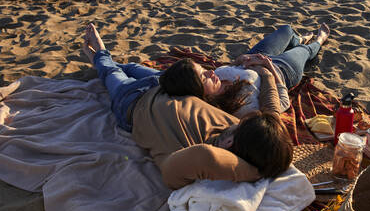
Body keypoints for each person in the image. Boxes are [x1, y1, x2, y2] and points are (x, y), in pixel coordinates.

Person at [83, 23, 293, 189]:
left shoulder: (187, 159)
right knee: (131, 67)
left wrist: (254, 172)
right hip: (166, 84)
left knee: (111, 73)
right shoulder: (244, 129)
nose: (237, 123)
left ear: (230, 142)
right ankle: (102, 60)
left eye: (238, 127)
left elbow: (203, 156)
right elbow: (271, 108)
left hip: (133, 104)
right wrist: (265, 71)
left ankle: (100, 54)